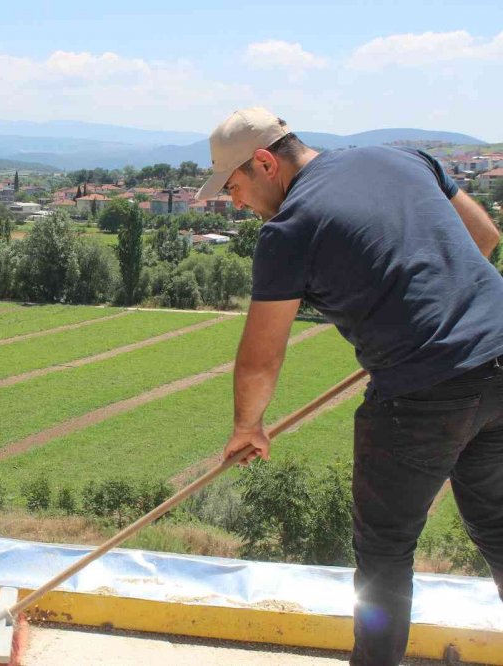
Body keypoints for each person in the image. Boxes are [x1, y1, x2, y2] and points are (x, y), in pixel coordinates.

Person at [199, 108, 503, 666]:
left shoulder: (291, 229)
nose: (235, 203)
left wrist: (248, 427)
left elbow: (262, 356)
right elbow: (484, 237)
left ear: (265, 162)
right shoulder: (402, 157)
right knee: (499, 528)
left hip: (422, 397)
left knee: (385, 555)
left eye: (235, 186)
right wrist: (430, 319)